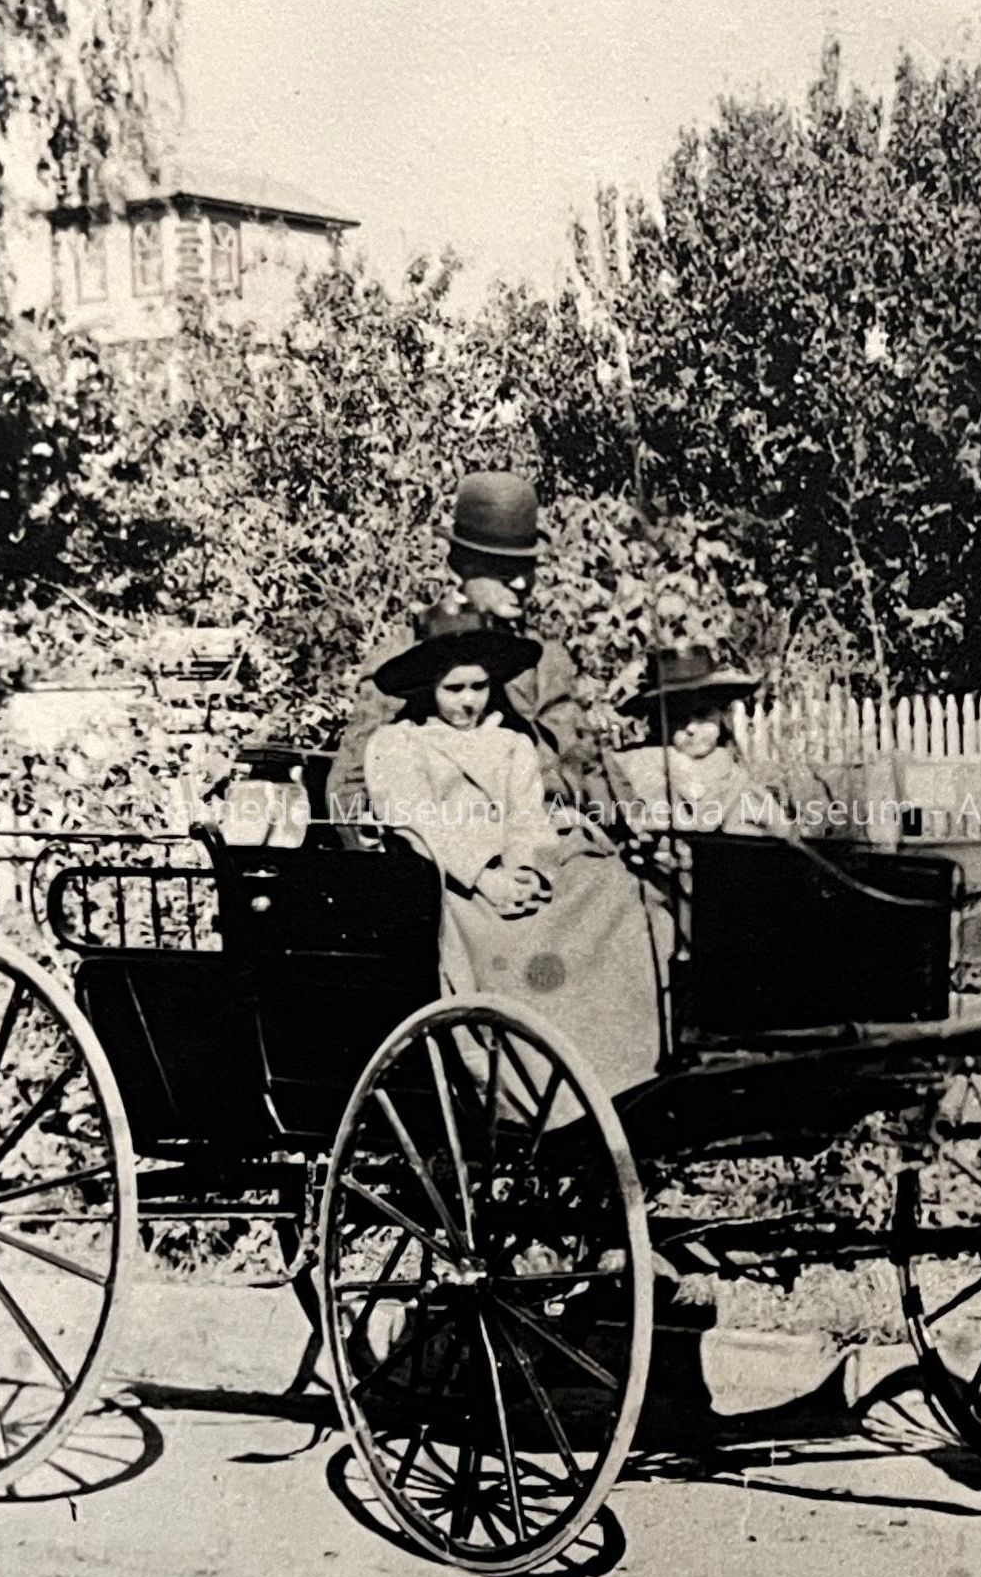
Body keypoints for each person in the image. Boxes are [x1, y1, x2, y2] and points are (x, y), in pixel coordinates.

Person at [362, 608, 667, 1103]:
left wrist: (526, 869)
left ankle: (629, 1059)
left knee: (618, 885)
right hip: (455, 886)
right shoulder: (399, 744)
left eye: (478, 687)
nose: (468, 701)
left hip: (516, 873)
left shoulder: (510, 742)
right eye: (454, 689)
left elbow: (528, 817)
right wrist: (486, 877)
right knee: (515, 952)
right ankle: (545, 1084)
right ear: (428, 688)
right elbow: (416, 820)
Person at [327, 469, 602, 826]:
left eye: (528, 567)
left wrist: (626, 821)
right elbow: (352, 778)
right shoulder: (405, 657)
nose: (522, 584)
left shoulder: (546, 658)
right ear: (459, 570)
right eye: (504, 570)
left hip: (550, 831)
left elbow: (586, 764)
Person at [606, 645, 788, 836]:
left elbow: (777, 832)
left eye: (703, 714)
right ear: (660, 721)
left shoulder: (736, 777)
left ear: (722, 714)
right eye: (678, 716)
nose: (691, 728)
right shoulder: (638, 765)